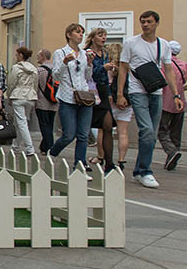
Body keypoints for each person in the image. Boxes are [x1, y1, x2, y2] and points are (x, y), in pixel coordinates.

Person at [116, 10, 183, 189]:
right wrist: (120, 93)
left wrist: (176, 94)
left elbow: (168, 69)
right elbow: (123, 68)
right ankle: (146, 171)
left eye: (149, 21)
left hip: (156, 91)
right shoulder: (131, 43)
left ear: (156, 23)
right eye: (143, 21)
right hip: (137, 90)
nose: (145, 24)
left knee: (151, 135)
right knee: (146, 130)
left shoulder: (164, 45)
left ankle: (139, 170)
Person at [50, 23, 94, 174]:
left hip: (84, 96)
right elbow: (55, 75)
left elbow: (87, 77)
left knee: (83, 135)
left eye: (82, 32)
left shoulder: (83, 54)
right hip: (67, 96)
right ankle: (53, 152)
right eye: (77, 32)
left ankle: (79, 166)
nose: (81, 35)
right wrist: (64, 63)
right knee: (69, 135)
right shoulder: (60, 52)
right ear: (69, 35)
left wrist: (89, 64)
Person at [158, 40, 187, 171]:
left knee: (162, 130)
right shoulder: (184, 64)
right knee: (176, 131)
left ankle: (171, 151)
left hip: (165, 101)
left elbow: (162, 80)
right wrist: (181, 89)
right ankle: (173, 155)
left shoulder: (164, 64)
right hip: (180, 101)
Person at [85, 28, 115, 173]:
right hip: (90, 91)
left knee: (108, 126)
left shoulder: (106, 53)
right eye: (100, 35)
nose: (103, 38)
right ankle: (80, 160)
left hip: (102, 91)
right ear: (93, 38)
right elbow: (88, 73)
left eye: (105, 35)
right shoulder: (87, 52)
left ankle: (109, 163)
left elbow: (105, 77)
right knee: (84, 128)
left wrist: (109, 93)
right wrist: (103, 67)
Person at [5, 46, 38, 156]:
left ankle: (30, 148)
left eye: (16, 54)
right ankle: (15, 146)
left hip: (18, 95)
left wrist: (9, 96)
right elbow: (35, 84)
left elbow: (11, 83)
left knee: (21, 123)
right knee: (21, 122)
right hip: (30, 96)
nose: (15, 57)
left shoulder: (16, 68)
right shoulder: (34, 68)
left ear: (20, 55)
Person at [106, 42, 132, 170]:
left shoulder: (109, 67)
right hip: (126, 102)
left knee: (105, 132)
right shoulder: (127, 67)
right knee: (123, 132)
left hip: (110, 102)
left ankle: (103, 157)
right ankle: (121, 159)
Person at [34, 49, 56, 154]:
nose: (37, 57)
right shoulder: (55, 69)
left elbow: (35, 87)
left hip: (42, 102)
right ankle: (44, 146)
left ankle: (49, 146)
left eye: (38, 55)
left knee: (44, 125)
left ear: (43, 56)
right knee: (50, 125)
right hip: (54, 101)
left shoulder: (39, 71)